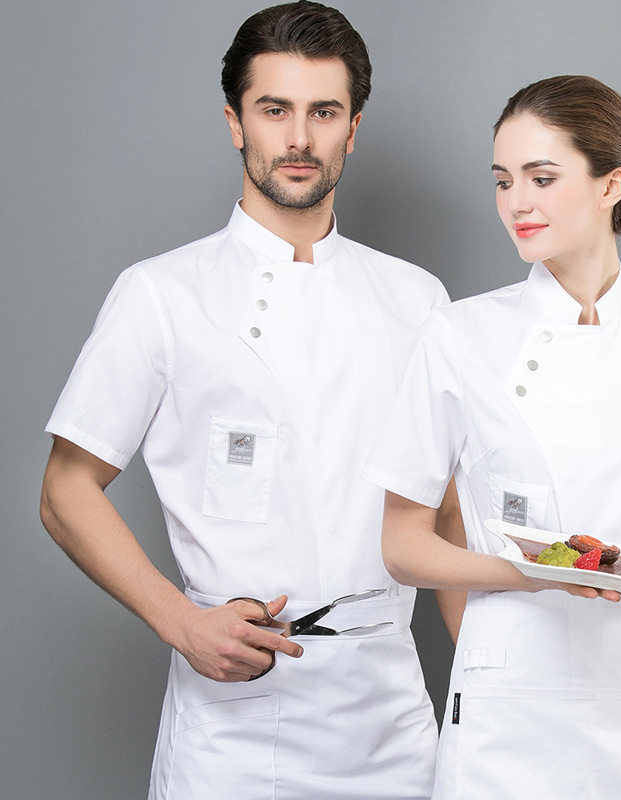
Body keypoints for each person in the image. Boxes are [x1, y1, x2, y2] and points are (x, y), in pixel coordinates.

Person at [40, 3, 456, 798]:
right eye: (274, 110)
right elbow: (65, 488)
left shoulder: (418, 300)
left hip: (391, 724)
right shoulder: (162, 295)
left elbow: (450, 513)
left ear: (352, 130)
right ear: (236, 123)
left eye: (323, 112)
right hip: (231, 730)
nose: (299, 138)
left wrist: (486, 693)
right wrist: (181, 622)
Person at [364, 75, 621, 798]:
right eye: (503, 181)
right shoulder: (457, 335)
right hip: (508, 698)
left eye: (542, 178)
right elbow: (402, 548)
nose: (516, 203)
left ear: (611, 184)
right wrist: (540, 572)